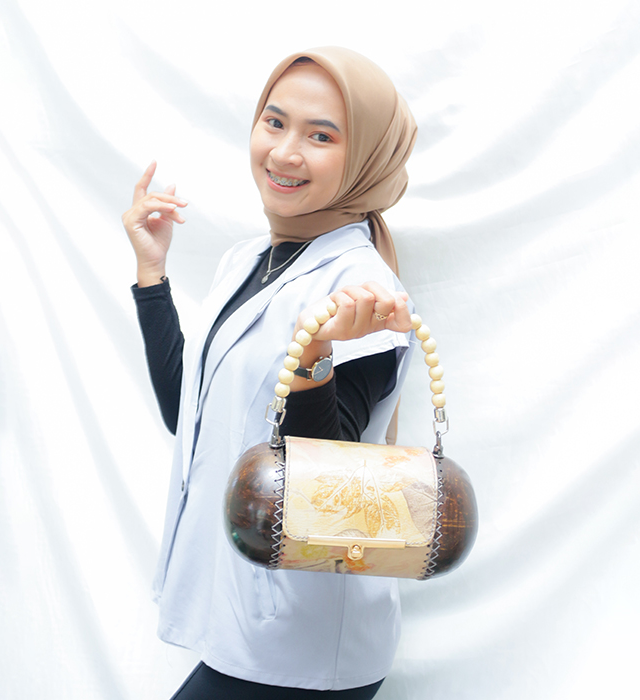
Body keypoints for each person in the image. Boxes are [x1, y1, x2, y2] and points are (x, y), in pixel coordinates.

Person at [122, 47, 418, 699]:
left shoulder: (364, 291)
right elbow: (185, 414)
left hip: (304, 644)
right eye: (275, 122)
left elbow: (324, 484)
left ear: (366, 157)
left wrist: (314, 357)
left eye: (321, 136)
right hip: (242, 620)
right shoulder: (249, 259)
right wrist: (151, 275)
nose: (285, 153)